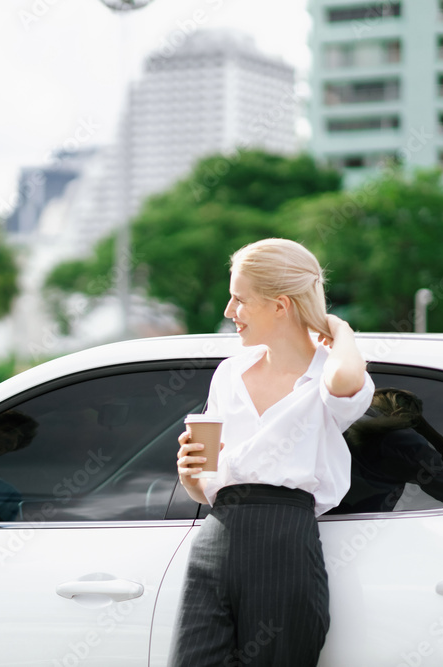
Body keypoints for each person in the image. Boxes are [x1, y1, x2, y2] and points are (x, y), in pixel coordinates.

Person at [171, 238, 375, 667]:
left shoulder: (329, 372)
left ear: (280, 306)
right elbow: (206, 485)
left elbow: (345, 383)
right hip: (217, 535)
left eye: (239, 300)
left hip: (284, 541)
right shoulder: (230, 373)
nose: (229, 312)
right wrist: (191, 478)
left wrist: (339, 329)